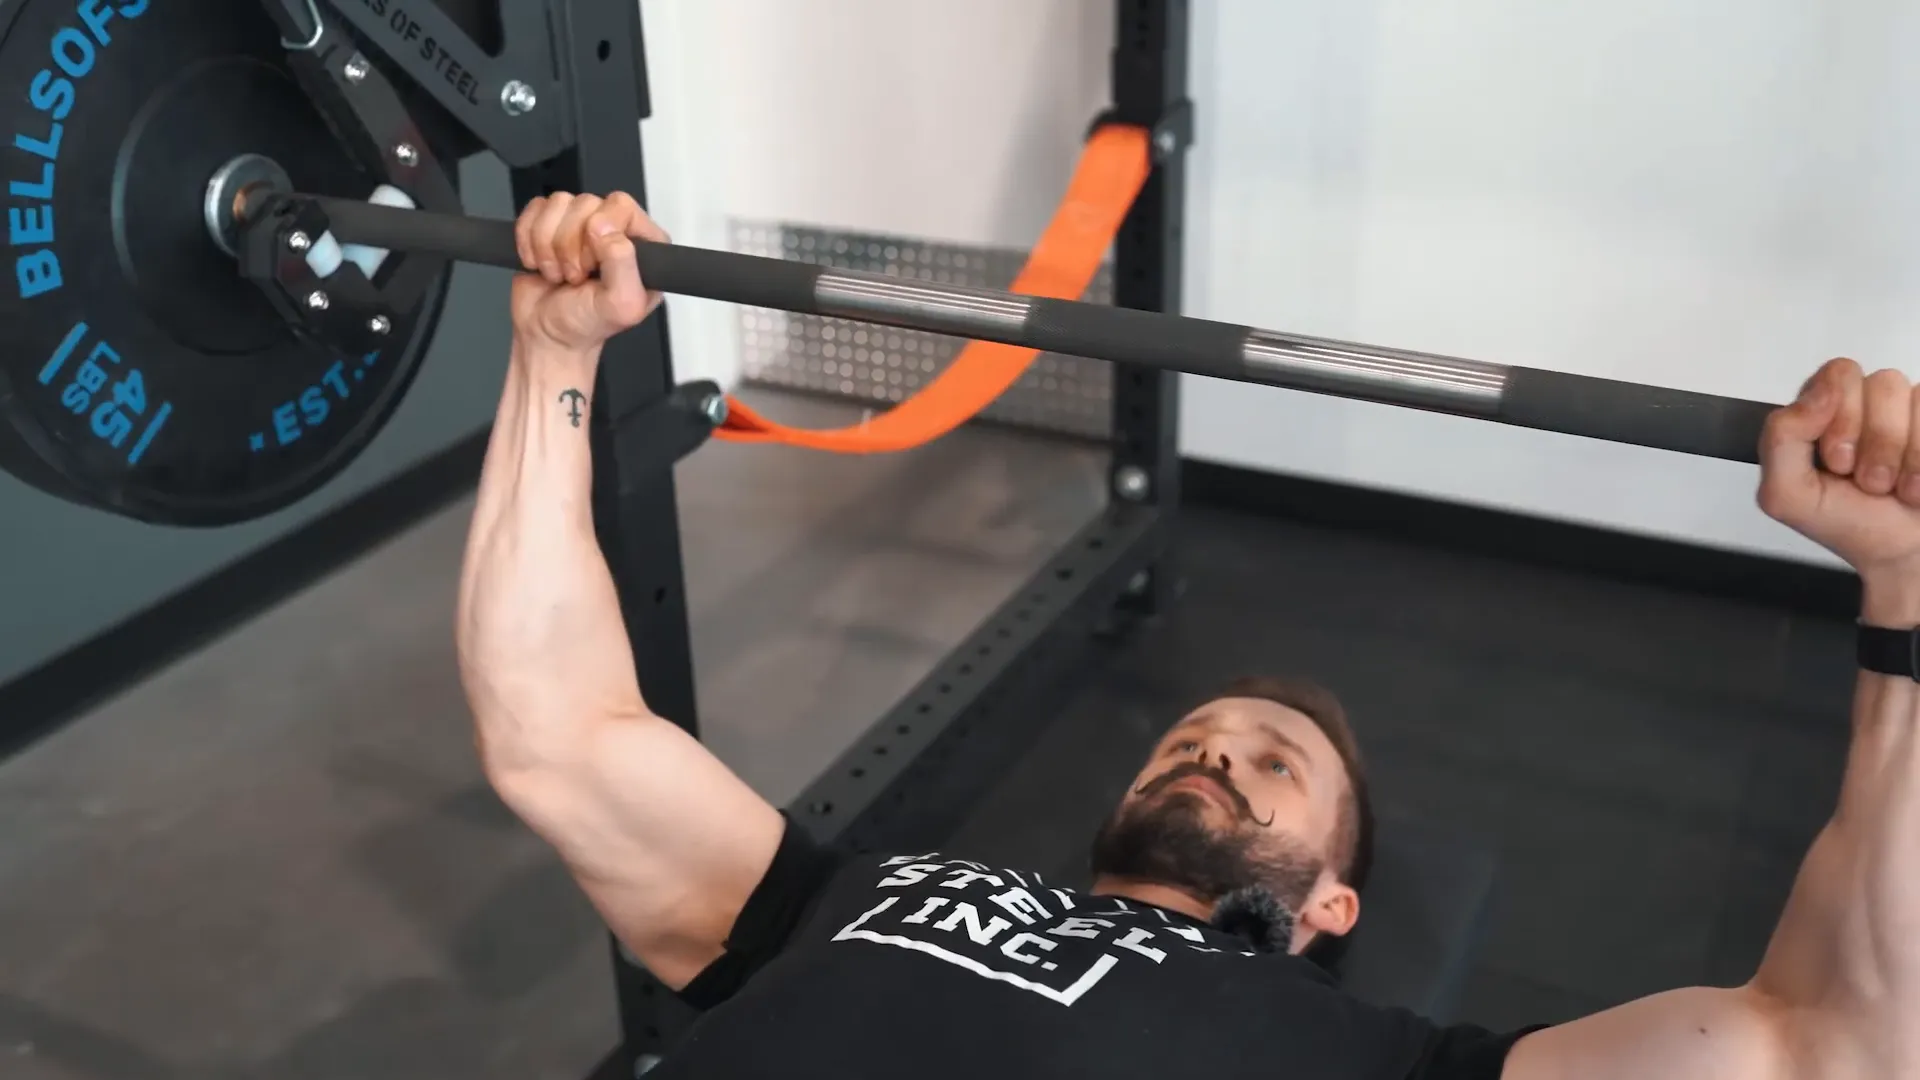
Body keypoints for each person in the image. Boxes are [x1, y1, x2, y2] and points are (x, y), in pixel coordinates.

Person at [456, 190, 1920, 1079]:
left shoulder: (1384, 1065)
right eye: (1198, 736)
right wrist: (554, 350)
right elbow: (558, 729)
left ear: (1333, 908)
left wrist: (1909, 594)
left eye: (1276, 765)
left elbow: (1827, 1044)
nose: (1217, 744)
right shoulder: (843, 898)